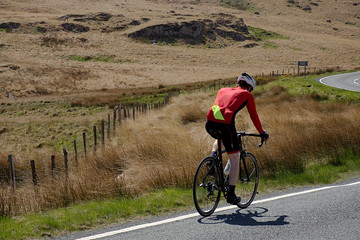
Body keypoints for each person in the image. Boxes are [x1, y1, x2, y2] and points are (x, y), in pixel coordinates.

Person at [205, 73, 269, 205]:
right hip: (226, 124)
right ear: (249, 87)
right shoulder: (247, 95)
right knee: (235, 157)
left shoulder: (222, 90)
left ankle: (212, 159)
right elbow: (254, 116)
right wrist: (262, 132)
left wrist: (223, 121)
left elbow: (217, 107)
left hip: (210, 121)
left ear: (238, 82)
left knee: (220, 139)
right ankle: (231, 195)